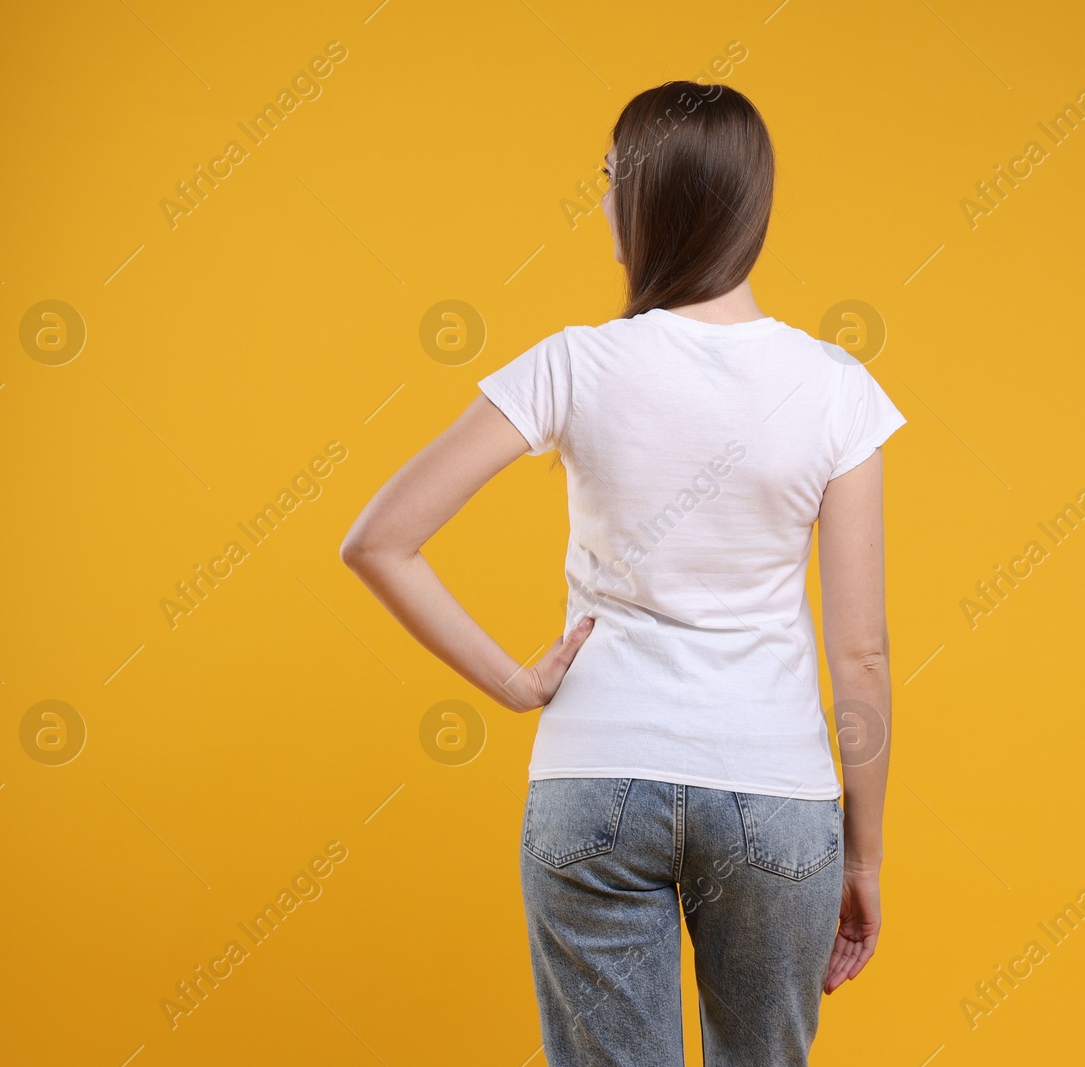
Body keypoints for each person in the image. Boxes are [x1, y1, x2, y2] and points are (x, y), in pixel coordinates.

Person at [341, 80, 906, 1066]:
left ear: (645, 199)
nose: (600, 202)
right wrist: (862, 855)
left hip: (595, 776)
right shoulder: (836, 391)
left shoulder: (572, 365)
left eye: (608, 179)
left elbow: (379, 538)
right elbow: (859, 654)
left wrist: (517, 684)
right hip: (775, 790)